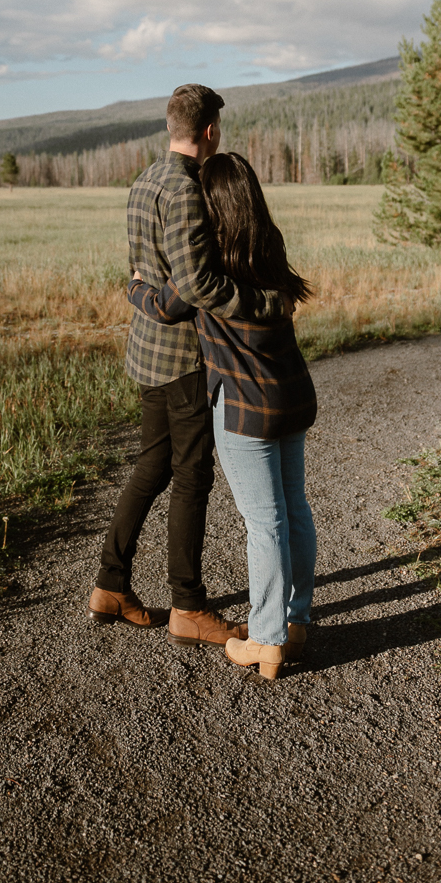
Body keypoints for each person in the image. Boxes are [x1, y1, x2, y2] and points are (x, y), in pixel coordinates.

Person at [87, 86, 287, 646]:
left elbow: (142, 268)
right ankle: (189, 607)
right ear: (210, 132)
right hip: (183, 360)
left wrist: (141, 297)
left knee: (152, 465)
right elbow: (196, 283)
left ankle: (110, 581)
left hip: (146, 353)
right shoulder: (186, 190)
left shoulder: (144, 180)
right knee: (192, 478)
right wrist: (263, 305)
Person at [127, 152, 316, 681]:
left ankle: (266, 639)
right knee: (294, 509)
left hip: (244, 405)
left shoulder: (210, 266)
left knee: (265, 523)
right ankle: (295, 622)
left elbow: (170, 304)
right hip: (292, 396)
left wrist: (135, 287)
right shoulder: (267, 245)